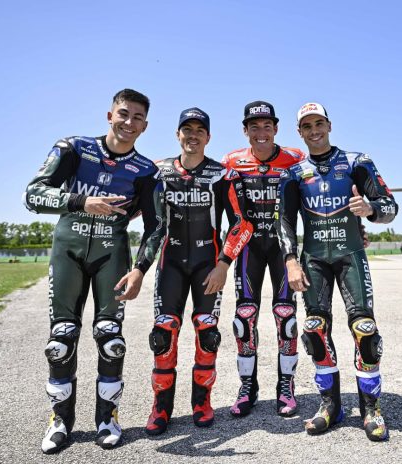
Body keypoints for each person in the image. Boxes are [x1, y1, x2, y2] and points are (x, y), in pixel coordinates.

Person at [24, 89, 160, 453]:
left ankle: (107, 419)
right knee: (60, 341)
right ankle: (59, 421)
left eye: (137, 117)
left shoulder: (146, 170)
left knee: (111, 339)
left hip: (111, 255)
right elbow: (33, 194)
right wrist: (82, 201)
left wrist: (140, 270)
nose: (129, 122)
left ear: (145, 126)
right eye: (123, 114)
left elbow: (156, 227)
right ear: (109, 115)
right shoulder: (74, 148)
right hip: (67, 251)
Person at [277, 102, 398, 441]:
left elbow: (390, 206)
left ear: (329, 126)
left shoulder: (357, 162)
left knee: (365, 331)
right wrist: (290, 260)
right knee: (315, 331)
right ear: (299, 132)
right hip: (313, 259)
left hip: (350, 256)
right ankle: (330, 405)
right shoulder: (293, 173)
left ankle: (371, 408)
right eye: (307, 126)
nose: (314, 130)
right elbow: (284, 221)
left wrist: (370, 208)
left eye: (319, 123)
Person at [141, 107, 253, 435]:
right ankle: (161, 407)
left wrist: (223, 264)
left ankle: (202, 402)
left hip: (209, 266)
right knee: (163, 335)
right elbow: (146, 219)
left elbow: (242, 223)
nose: (193, 136)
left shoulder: (223, 175)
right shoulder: (158, 172)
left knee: (208, 334)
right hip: (170, 264)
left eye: (199, 131)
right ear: (177, 134)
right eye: (187, 130)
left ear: (208, 137)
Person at [221, 101, 305, 418]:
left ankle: (286, 386)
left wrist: (358, 228)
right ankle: (248, 387)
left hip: (283, 247)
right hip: (248, 247)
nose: (261, 132)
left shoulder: (295, 158)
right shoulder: (232, 161)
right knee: (244, 319)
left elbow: (318, 194)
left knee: (286, 316)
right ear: (245, 130)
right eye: (254, 127)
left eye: (267, 126)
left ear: (276, 129)